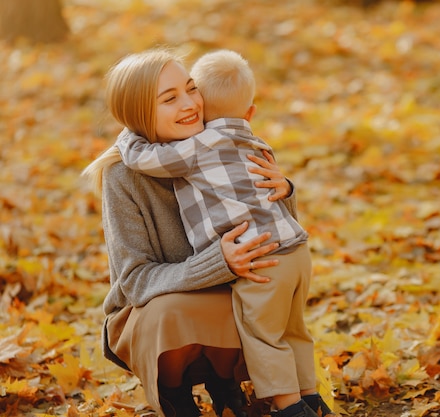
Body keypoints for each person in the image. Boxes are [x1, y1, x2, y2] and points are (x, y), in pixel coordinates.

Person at [114, 50, 335, 417]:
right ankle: (177, 394)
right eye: (170, 99)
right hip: (163, 303)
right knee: (172, 313)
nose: (190, 105)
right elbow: (134, 281)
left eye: (192, 89)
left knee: (264, 309)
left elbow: (268, 222)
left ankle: (251, 390)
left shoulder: (214, 143)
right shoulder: (124, 176)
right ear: (137, 114)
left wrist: (284, 189)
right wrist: (220, 262)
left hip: (245, 278)